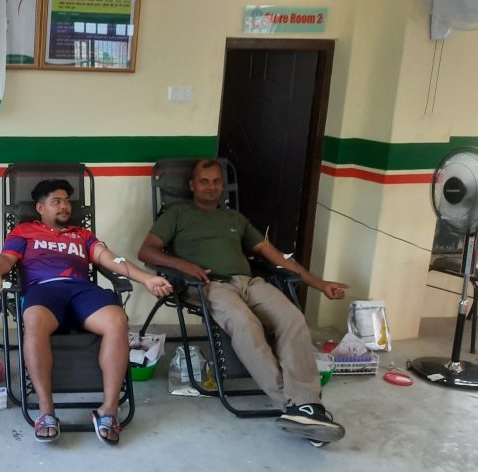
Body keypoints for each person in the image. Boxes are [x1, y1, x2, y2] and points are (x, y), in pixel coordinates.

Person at [137, 159, 349, 446]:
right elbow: (146, 252)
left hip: (250, 282)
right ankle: (294, 406)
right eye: (204, 181)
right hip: (209, 285)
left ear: (222, 186)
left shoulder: (235, 219)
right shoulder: (176, 214)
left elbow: (276, 257)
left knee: (293, 319)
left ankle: (307, 406)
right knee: (245, 324)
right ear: (192, 185)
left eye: (216, 181)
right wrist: (182, 265)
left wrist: (320, 284)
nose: (211, 187)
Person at [0, 179, 172, 445]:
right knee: (34, 321)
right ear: (40, 207)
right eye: (56, 201)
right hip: (44, 290)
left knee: (117, 320)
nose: (64, 206)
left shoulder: (82, 235)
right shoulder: (24, 231)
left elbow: (111, 259)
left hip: (82, 291)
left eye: (66, 201)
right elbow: (6, 258)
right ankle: (46, 411)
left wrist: (147, 279)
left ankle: (108, 410)